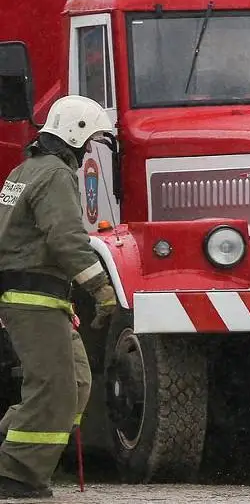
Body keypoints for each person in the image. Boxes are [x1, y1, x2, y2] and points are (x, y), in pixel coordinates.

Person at [0, 95, 118, 498]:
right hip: (34, 299)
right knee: (53, 387)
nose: (89, 151)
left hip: (40, 299)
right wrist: (101, 289)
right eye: (90, 142)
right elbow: (66, 240)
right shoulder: (54, 175)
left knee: (76, 382)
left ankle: (14, 450)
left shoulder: (25, 170)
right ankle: (16, 472)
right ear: (76, 133)